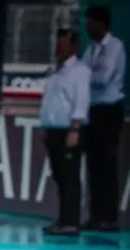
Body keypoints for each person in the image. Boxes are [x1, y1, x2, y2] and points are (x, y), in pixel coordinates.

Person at [40, 30, 91, 236]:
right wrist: (44, 125)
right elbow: (48, 102)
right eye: (57, 44)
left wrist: (75, 129)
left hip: (69, 131)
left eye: (63, 44)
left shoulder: (80, 71)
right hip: (53, 130)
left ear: (73, 46)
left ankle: (71, 221)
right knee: (60, 175)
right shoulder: (54, 71)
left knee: (70, 177)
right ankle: (62, 218)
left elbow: (81, 100)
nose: (58, 49)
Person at [81, 6, 125, 231]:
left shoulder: (115, 46)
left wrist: (84, 73)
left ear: (102, 23)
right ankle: (95, 214)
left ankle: (109, 217)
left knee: (107, 164)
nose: (87, 27)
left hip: (109, 110)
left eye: (90, 23)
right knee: (93, 164)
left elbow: (103, 78)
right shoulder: (90, 49)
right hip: (92, 110)